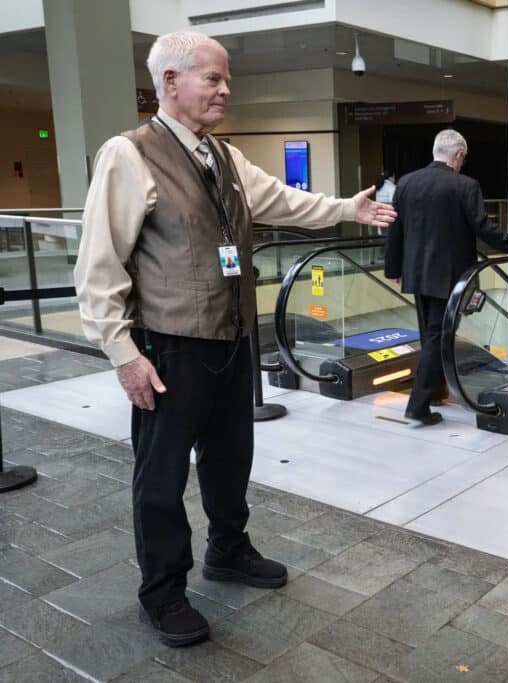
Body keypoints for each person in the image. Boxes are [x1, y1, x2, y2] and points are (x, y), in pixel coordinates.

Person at [73, 31, 396, 648]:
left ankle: (228, 549)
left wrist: (343, 209)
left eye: (227, 79)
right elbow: (99, 269)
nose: (226, 89)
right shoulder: (128, 154)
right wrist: (124, 356)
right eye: (213, 79)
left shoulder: (221, 156)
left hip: (230, 339)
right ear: (170, 82)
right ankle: (163, 591)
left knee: (230, 458)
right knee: (161, 476)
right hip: (168, 347)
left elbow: (279, 200)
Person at [385, 129, 508, 425]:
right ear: (457, 156)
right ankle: (417, 405)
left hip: (417, 274)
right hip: (450, 277)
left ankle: (431, 394)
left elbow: (396, 231)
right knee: (436, 337)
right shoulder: (465, 185)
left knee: (430, 334)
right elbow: (484, 229)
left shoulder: (407, 182)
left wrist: (393, 269)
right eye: (463, 158)